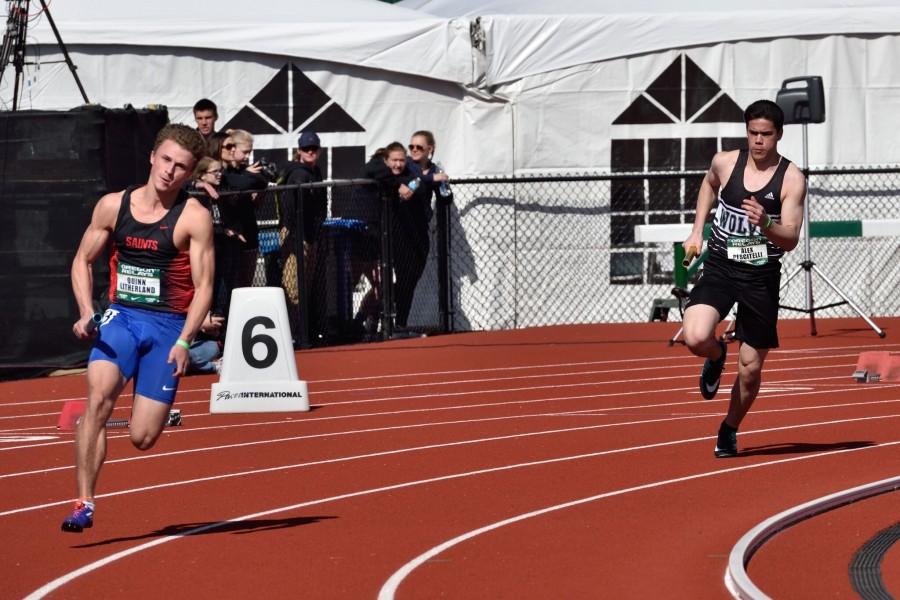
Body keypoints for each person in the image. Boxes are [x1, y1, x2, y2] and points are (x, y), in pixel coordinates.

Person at [63, 123, 213, 532]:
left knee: (143, 437)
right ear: (151, 156)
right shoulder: (113, 206)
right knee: (97, 399)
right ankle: (84, 503)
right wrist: (84, 311)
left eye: (181, 166)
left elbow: (205, 289)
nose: (169, 171)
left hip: (167, 327)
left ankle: (145, 410)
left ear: (191, 173)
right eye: (165, 160)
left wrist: (185, 341)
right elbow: (81, 260)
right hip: (122, 317)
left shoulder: (194, 217)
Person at [681, 99, 806, 458]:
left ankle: (728, 429)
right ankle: (717, 354)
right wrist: (696, 231)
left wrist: (766, 223)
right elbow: (708, 185)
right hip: (721, 266)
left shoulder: (792, 179)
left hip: (760, 278)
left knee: (750, 370)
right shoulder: (725, 161)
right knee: (695, 336)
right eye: (753, 133)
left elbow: (792, 238)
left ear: (778, 135)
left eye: (766, 134)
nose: (758, 141)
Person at [392, 130, 451, 330]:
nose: (414, 150)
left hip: (420, 231)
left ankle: (398, 321)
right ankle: (390, 319)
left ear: (429, 149)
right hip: (400, 229)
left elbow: (445, 198)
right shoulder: (406, 165)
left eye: (419, 147)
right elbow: (405, 184)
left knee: (412, 279)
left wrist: (443, 185)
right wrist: (431, 178)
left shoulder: (435, 170)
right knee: (402, 277)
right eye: (412, 147)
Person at [282, 131, 327, 337]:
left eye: (313, 149)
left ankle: (301, 330)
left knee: (305, 284)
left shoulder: (315, 171)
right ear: (299, 151)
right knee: (293, 285)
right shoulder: (298, 174)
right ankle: (293, 332)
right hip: (295, 234)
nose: (310, 152)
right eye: (306, 149)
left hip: (310, 234)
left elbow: (319, 204)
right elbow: (290, 206)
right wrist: (292, 234)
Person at [221, 129, 269, 289]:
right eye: (245, 152)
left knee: (245, 284)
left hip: (249, 232)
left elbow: (261, 182)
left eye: (250, 152)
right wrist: (247, 177)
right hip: (229, 236)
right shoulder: (221, 173)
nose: (248, 157)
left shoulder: (245, 170)